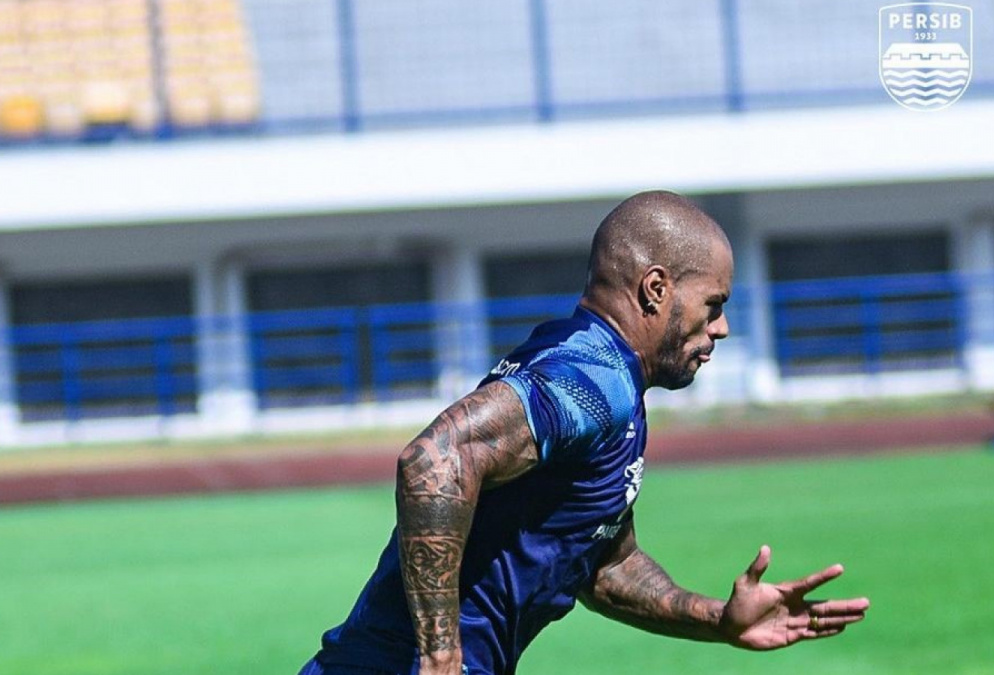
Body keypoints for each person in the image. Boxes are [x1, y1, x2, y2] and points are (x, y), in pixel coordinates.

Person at [300, 190, 870, 675]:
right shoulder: (592, 378)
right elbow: (436, 459)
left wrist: (717, 618)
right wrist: (443, 657)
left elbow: (606, 568)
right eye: (713, 304)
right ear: (655, 289)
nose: (720, 327)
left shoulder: (609, 380)